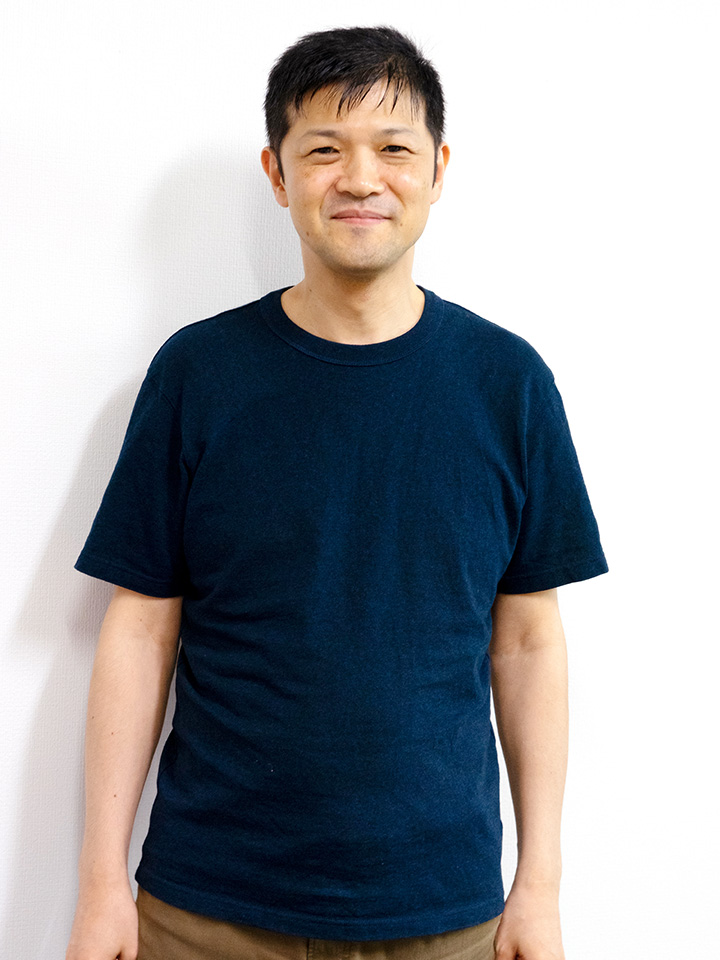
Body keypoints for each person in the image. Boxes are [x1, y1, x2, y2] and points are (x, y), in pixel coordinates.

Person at [66, 25, 607, 960]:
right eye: (324, 149)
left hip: (445, 912)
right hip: (207, 909)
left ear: (437, 170)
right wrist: (100, 884)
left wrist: (541, 887)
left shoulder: (507, 384)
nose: (361, 179)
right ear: (278, 174)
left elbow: (527, 640)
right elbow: (141, 627)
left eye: (393, 148)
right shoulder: (199, 374)